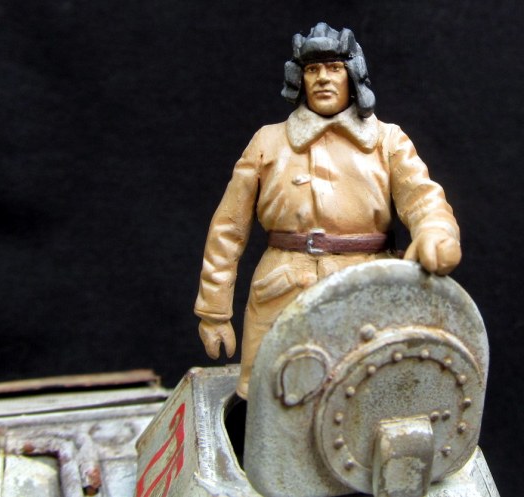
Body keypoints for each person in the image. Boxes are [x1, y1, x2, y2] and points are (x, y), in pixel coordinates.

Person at [194, 23, 461, 399]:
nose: (322, 78)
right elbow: (228, 229)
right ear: (299, 79)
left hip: (368, 289)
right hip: (282, 291)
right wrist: (214, 312)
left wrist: (436, 232)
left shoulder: (387, 140)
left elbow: (423, 199)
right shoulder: (267, 142)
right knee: (272, 401)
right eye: (312, 69)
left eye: (334, 68)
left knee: (367, 397)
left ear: (352, 75)